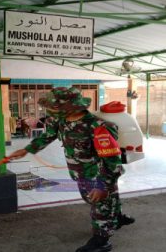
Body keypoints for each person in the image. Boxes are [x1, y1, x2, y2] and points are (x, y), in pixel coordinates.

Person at [7, 87, 135, 252]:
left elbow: (112, 161)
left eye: (53, 107)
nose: (49, 111)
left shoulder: (98, 126)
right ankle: (116, 218)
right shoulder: (59, 120)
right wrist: (27, 149)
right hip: (79, 172)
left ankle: (102, 240)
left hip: (98, 174)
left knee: (99, 204)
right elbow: (48, 135)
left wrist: (102, 185)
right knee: (104, 199)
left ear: (69, 107)